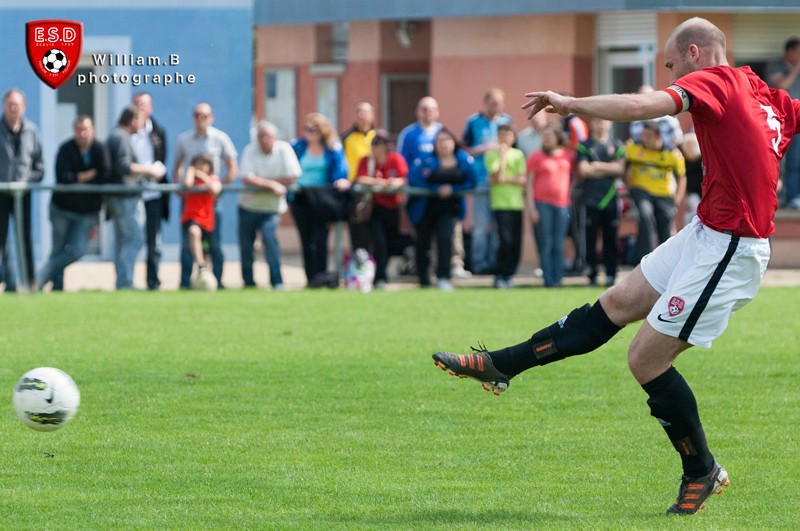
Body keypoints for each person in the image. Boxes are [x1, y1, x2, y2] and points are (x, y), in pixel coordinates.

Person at [433, 17, 800, 516]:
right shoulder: (766, 94)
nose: (670, 73)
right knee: (618, 302)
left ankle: (703, 471)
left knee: (645, 359)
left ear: (694, 53)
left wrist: (568, 102)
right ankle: (503, 365)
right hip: (705, 232)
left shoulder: (715, 79)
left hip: (732, 248)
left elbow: (635, 106)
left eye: (670, 63)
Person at [38, 115, 109, 291]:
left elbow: (105, 175)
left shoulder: (100, 150)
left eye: (85, 129)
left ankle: (38, 279)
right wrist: (86, 175)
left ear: (92, 130)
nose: (82, 133)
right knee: (58, 249)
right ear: (74, 131)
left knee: (76, 250)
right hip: (61, 209)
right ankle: (57, 287)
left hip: (86, 213)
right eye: (78, 129)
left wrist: (78, 178)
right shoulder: (66, 149)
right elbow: (64, 177)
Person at [173, 103, 238, 288]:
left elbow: (232, 168)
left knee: (214, 244)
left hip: (211, 202)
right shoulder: (183, 140)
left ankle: (216, 281)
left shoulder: (220, 138)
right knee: (187, 245)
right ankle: (186, 282)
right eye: (197, 115)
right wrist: (181, 191)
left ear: (211, 117)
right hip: (190, 201)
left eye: (205, 115)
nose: (200, 119)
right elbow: (177, 167)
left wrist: (219, 188)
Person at [406, 128, 476, 291]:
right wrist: (436, 188)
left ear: (453, 143)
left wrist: (453, 189)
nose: (443, 144)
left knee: (445, 241)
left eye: (447, 140)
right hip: (425, 208)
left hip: (450, 208)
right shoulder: (426, 160)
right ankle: (424, 279)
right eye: (440, 141)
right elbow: (414, 179)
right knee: (423, 244)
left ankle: (444, 277)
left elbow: (472, 181)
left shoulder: (463, 159)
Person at [106, 105, 166, 290]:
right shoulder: (120, 137)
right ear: (132, 120)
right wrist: (149, 170)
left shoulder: (116, 136)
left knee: (123, 240)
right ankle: (125, 282)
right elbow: (123, 167)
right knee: (135, 238)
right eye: (140, 120)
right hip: (125, 198)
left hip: (121, 197)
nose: (142, 124)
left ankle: (123, 281)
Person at [238, 120, 301, 290]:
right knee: (246, 247)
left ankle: (277, 281)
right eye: (261, 136)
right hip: (248, 206)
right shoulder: (250, 150)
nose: (264, 139)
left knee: (269, 238)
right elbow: (247, 178)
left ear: (274, 137)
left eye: (268, 136)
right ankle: (248, 282)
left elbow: (293, 176)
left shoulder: (284, 149)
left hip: (272, 208)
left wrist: (261, 182)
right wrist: (272, 185)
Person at [290, 112, 350, 286]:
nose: (309, 133)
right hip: (301, 198)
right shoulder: (298, 147)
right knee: (306, 239)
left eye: (313, 129)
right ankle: (310, 278)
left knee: (320, 239)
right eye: (306, 129)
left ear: (322, 131)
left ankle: (321, 276)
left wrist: (342, 180)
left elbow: (340, 171)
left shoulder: (332, 148)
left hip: (322, 199)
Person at [463, 88, 513, 275]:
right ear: (485, 103)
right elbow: (464, 149)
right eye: (492, 104)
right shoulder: (473, 122)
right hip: (481, 180)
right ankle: (478, 264)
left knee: (499, 227)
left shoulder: (506, 121)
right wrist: (486, 148)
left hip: (502, 182)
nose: (496, 107)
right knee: (481, 226)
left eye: (499, 104)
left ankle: (494, 262)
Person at [0, 88, 44, 293]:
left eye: (17, 104)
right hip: (1, 194)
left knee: (24, 239)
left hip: (22, 195)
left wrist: (26, 182)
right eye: (10, 104)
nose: (13, 108)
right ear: (4, 106)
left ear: (24, 107)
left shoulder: (32, 131)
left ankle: (29, 284)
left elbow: (39, 167)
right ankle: (6, 284)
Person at [353, 129, 408, 289]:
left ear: (387, 145)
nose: (376, 147)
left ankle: (382, 272)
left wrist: (395, 183)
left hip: (392, 207)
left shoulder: (395, 159)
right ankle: (380, 277)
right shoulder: (367, 161)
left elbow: (403, 178)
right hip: (374, 209)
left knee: (392, 243)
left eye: (380, 143)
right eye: (374, 143)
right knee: (379, 242)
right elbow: (361, 178)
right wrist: (381, 183)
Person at [626, 121, 686, 263]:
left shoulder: (672, 154)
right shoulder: (633, 149)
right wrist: (629, 188)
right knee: (645, 214)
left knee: (665, 228)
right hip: (641, 190)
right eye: (643, 135)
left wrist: (678, 199)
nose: (644, 139)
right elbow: (625, 169)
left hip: (664, 195)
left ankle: (665, 264)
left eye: (649, 136)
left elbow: (681, 178)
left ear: (659, 137)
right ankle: (646, 260)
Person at [576, 117, 626, 287]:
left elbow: (620, 169)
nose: (600, 124)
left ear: (610, 122)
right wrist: (608, 168)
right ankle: (592, 273)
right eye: (596, 121)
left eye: (604, 120)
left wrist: (596, 166)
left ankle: (611, 274)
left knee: (611, 239)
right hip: (590, 199)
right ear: (591, 123)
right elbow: (583, 170)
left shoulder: (617, 144)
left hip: (611, 200)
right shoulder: (585, 144)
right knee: (590, 238)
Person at [526, 122, 575, 288]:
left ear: (558, 137)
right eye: (544, 136)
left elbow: (577, 175)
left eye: (549, 136)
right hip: (542, 204)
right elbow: (529, 184)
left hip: (563, 205)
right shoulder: (536, 156)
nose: (546, 139)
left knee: (558, 242)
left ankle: (558, 279)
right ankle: (548, 280)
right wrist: (531, 208)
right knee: (546, 242)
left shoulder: (568, 155)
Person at [131, 91, 169, 291]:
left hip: (153, 195)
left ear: (150, 108)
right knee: (132, 240)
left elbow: (163, 161)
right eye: (137, 104)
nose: (140, 108)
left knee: (154, 242)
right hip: (132, 195)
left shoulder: (158, 132)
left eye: (144, 104)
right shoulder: (125, 133)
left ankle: (152, 280)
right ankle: (126, 281)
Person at [485, 123, 526, 289]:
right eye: (501, 135)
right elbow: (497, 176)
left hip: (516, 204)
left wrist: (503, 180)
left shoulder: (518, 155)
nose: (504, 139)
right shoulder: (491, 155)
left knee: (516, 242)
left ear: (513, 138)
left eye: (507, 135)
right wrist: (502, 157)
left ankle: (510, 275)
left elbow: (522, 179)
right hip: (500, 204)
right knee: (504, 241)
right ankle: (500, 274)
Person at [767, 38, 800, 209]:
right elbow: (782, 86)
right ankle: (776, 196)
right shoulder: (775, 66)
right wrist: (796, 69)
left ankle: (793, 197)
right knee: (778, 161)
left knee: (796, 160)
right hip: (778, 121)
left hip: (798, 120)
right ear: (790, 51)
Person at [341, 101, 376, 250]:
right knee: (357, 231)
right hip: (355, 191)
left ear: (372, 115)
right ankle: (357, 268)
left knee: (375, 233)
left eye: (365, 112)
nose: (361, 115)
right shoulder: (346, 138)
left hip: (376, 190)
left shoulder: (378, 137)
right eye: (358, 112)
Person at [181, 153, 221, 283]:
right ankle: (200, 265)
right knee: (193, 232)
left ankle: (205, 278)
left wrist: (203, 177)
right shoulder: (191, 180)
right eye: (197, 163)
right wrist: (191, 171)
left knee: (208, 250)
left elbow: (215, 189)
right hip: (191, 217)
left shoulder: (213, 179)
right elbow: (187, 184)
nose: (201, 167)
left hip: (207, 221)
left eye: (204, 164)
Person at [629, 84, 685, 150]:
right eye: (641, 98)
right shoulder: (636, 124)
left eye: (648, 97)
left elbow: (679, 141)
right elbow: (636, 146)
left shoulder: (669, 120)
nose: (645, 102)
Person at [680, 132, 703, 226]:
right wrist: (684, 196)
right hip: (690, 194)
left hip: (704, 192)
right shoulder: (681, 158)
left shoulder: (703, 158)